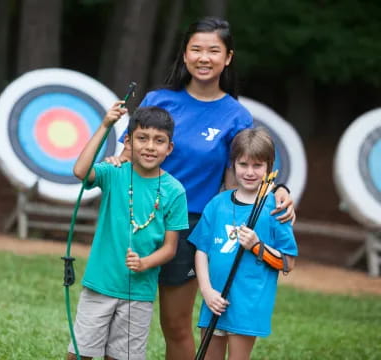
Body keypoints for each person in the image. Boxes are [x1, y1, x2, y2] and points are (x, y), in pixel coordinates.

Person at [106, 16, 295, 359]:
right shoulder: (157, 99)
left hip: (190, 229)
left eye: (213, 50)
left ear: (228, 58)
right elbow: (125, 158)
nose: (203, 58)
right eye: (196, 49)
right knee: (118, 318)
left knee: (176, 326)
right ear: (185, 54)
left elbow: (245, 175)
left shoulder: (235, 115)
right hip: (137, 219)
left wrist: (278, 189)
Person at [67, 103, 189, 360]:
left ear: (170, 148)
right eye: (142, 138)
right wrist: (105, 125)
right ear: (129, 142)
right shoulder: (114, 173)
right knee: (80, 354)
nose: (150, 146)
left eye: (159, 141)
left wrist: (145, 263)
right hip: (101, 284)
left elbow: (170, 248)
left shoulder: (175, 191)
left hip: (139, 293)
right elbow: (80, 171)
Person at [188, 127, 298, 360]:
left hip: (248, 305)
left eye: (257, 166)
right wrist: (207, 291)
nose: (249, 172)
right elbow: (201, 250)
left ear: (270, 168)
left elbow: (288, 263)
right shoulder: (217, 204)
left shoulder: (276, 209)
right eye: (243, 164)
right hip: (214, 300)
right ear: (233, 164)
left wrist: (258, 246)